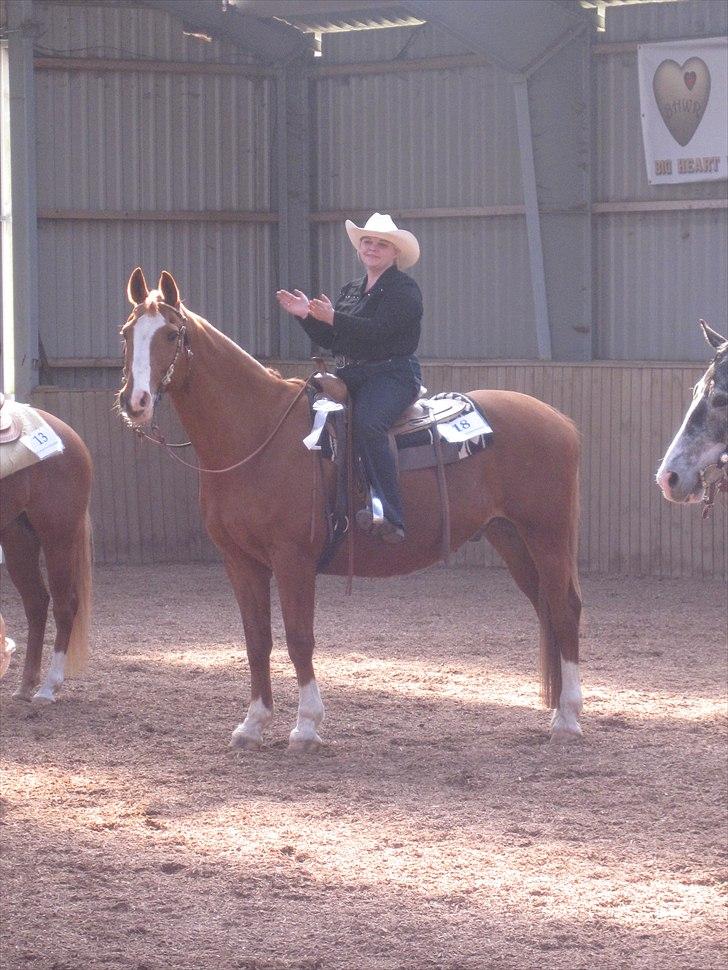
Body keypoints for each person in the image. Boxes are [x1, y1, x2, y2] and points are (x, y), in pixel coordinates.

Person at [276, 213, 423, 544]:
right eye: (367, 242)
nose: (371, 248)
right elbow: (333, 339)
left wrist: (334, 317)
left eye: (380, 244)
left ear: (395, 252)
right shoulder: (352, 290)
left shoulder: (405, 291)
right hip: (350, 375)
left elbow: (379, 333)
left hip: (392, 374)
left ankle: (391, 513)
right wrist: (307, 317)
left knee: (369, 425)